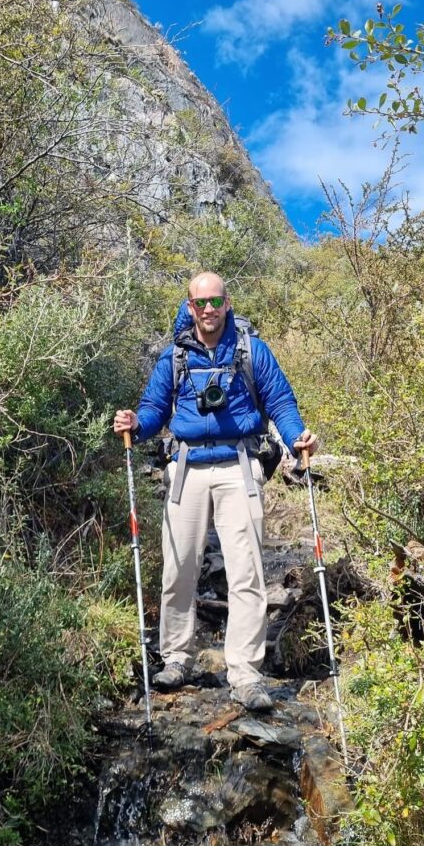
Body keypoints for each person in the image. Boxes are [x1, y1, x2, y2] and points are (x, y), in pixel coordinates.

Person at [114, 271, 316, 712]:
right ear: (190, 307)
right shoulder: (174, 357)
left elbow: (280, 400)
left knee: (246, 573)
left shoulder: (250, 350)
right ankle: (177, 658)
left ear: (227, 303)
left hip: (238, 466)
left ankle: (245, 673)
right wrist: (136, 425)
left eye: (215, 301)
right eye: (200, 302)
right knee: (179, 569)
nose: (208, 309)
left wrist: (297, 436)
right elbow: (153, 409)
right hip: (186, 467)